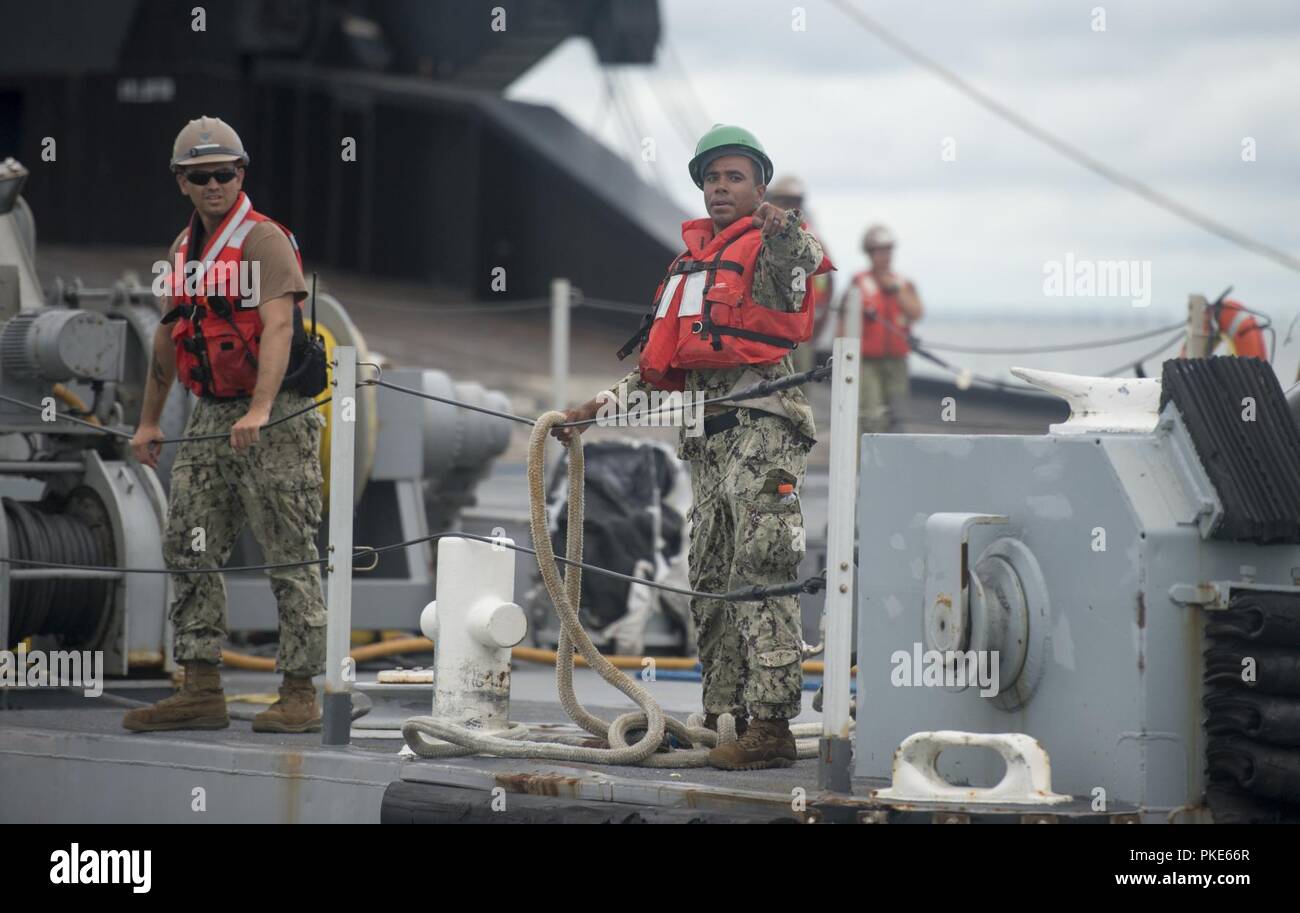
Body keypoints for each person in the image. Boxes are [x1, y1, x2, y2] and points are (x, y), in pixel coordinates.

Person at [554, 125, 832, 770]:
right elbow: (658, 365)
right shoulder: (692, 267)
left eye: (735, 177)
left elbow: (805, 256)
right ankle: (722, 714)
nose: (720, 188)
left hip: (763, 433)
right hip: (705, 442)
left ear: (759, 187)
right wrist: (593, 411)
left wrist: (780, 220)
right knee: (708, 581)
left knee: (760, 573)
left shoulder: (771, 246)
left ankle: (771, 728)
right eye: (712, 178)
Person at [123, 116, 327, 734]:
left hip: (279, 416)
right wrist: (150, 421)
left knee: (288, 549)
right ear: (181, 181)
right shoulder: (182, 251)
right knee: (189, 539)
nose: (215, 184)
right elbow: (168, 337)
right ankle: (201, 685)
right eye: (200, 175)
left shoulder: (264, 241)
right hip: (212, 414)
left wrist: (262, 409)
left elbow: (281, 328)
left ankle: (299, 693)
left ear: (241, 173)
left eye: (226, 172)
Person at [840, 224, 923, 433]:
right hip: (867, 364)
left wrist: (895, 291)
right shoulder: (857, 284)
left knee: (898, 415)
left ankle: (894, 462)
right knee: (872, 414)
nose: (884, 256)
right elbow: (843, 323)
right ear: (869, 254)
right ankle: (866, 461)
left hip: (896, 363)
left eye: (887, 251)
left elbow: (916, 312)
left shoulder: (904, 284)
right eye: (879, 251)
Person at [766, 175, 834, 374]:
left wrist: (818, 326)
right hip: (769, 329)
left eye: (797, 202)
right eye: (785, 201)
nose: (791, 207)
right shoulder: (761, 233)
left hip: (801, 330)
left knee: (800, 383)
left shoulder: (814, 241)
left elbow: (827, 285)